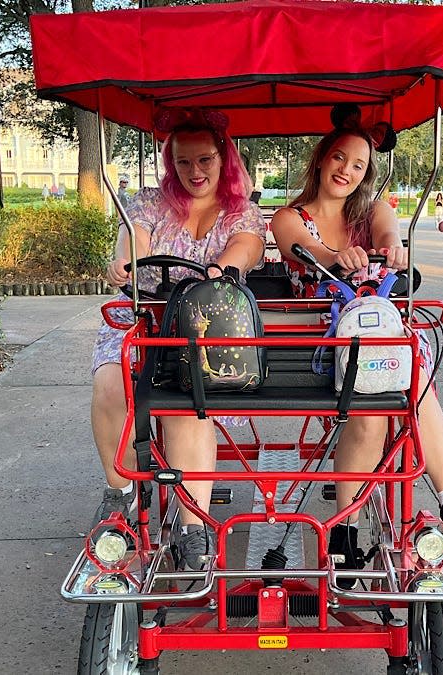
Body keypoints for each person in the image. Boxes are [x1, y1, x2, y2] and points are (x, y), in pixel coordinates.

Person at [270, 121, 443, 584]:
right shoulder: (290, 216)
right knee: (373, 405)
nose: (346, 171)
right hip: (317, 342)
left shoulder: (372, 211)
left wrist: (392, 250)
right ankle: (347, 528)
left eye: (358, 164)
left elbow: (390, 234)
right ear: (320, 159)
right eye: (339, 159)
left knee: (409, 376)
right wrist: (337, 258)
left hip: (371, 338)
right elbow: (306, 249)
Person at [91, 107, 266, 570]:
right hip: (146, 319)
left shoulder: (241, 211)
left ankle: (192, 522)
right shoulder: (149, 203)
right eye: (183, 162)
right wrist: (128, 263)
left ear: (223, 160)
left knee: (191, 398)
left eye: (205, 160)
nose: (195, 172)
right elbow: (135, 244)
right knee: (111, 382)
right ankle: (120, 491)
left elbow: (246, 247)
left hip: (208, 330)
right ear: (171, 163)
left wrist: (224, 267)